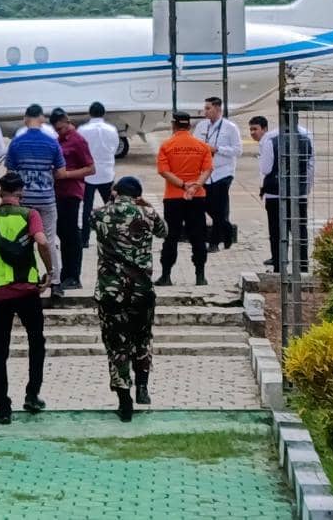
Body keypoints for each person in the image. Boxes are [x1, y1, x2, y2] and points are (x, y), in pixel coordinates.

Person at [0, 172, 52, 425]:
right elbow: (42, 241)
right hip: (27, 291)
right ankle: (32, 394)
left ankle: (3, 407)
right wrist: (49, 271)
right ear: (21, 192)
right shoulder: (30, 215)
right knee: (36, 343)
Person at [92, 176, 168, 422]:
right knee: (142, 338)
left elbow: (91, 223)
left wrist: (112, 202)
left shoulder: (101, 214)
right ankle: (143, 387)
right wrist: (144, 204)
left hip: (111, 291)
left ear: (115, 192)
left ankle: (124, 397)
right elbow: (164, 232)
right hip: (141, 290)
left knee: (116, 343)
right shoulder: (147, 213)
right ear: (137, 194)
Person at [4, 104, 66, 298]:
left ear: (25, 119)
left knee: (24, 241)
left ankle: (27, 278)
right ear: (42, 119)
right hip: (46, 198)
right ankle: (55, 282)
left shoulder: (16, 143)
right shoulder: (52, 142)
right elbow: (61, 172)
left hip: (24, 200)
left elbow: (10, 174)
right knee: (48, 240)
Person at [155, 110, 214, 287]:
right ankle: (200, 276)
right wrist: (196, 185)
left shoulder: (167, 145)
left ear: (173, 125)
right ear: (189, 126)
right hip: (197, 197)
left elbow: (163, 171)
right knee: (198, 236)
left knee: (171, 236)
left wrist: (182, 185)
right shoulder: (202, 146)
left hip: (173, 197)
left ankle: (166, 276)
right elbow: (208, 170)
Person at [250, 116, 314, 271]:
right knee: (300, 231)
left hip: (275, 193)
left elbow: (265, 169)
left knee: (277, 231)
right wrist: (305, 188)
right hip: (298, 192)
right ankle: (302, 266)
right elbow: (311, 165)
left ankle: (279, 265)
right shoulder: (306, 136)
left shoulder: (271, 138)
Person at [51, 108, 94, 290]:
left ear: (67, 122)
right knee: (62, 233)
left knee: (71, 235)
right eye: (57, 130)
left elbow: (91, 168)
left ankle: (73, 275)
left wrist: (66, 175)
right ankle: (66, 272)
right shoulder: (58, 140)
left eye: (61, 128)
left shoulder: (78, 140)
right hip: (57, 193)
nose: (59, 132)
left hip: (71, 192)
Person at [195, 96, 243, 251]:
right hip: (205, 173)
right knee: (208, 206)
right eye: (205, 108)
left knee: (219, 207)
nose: (205, 111)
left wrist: (218, 149)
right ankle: (227, 230)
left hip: (223, 173)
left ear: (218, 109)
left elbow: (238, 150)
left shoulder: (230, 127)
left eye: (208, 108)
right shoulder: (201, 126)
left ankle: (214, 242)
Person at [78, 101, 119, 249]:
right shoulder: (111, 129)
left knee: (86, 208)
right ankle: (113, 236)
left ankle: (84, 240)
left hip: (88, 173)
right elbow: (114, 148)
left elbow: (80, 149)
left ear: (90, 113)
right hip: (106, 173)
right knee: (110, 207)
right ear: (104, 113)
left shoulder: (82, 129)